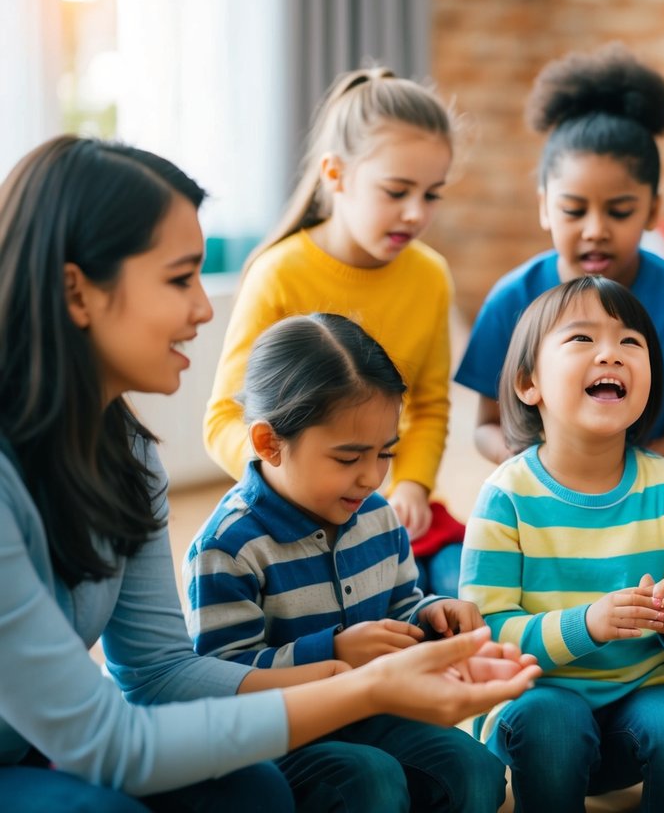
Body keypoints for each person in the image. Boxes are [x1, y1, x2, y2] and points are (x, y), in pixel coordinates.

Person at [0, 135, 540, 813]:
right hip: (68, 744)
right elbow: (112, 743)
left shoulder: (128, 457)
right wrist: (360, 680)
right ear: (77, 290)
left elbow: (159, 674)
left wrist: (401, 662)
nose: (203, 308)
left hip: (38, 741)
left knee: (254, 789)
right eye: (179, 278)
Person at [185, 313, 505, 811]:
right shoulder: (228, 547)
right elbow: (223, 678)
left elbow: (403, 606)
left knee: (477, 768)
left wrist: (431, 616)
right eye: (348, 458)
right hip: (282, 736)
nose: (372, 477)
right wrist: (332, 653)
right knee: (369, 780)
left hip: (378, 711)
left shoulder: (378, 517)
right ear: (270, 444)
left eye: (385, 453)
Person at [459, 276, 664, 811]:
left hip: (639, 699)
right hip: (536, 711)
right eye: (582, 339)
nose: (612, 354)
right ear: (527, 383)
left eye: (631, 342)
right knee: (552, 721)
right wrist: (590, 625)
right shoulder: (506, 496)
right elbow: (487, 636)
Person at [204, 67, 466, 596]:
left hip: (387, 510)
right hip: (290, 512)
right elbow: (224, 420)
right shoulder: (278, 274)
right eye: (396, 191)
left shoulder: (431, 276)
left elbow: (431, 406)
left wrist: (411, 485)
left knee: (467, 595)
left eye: (432, 194)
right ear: (335, 174)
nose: (416, 213)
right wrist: (292, 485)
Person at [454, 43, 664, 468]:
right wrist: (537, 467)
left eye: (619, 211)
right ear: (545, 206)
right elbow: (486, 425)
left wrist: (627, 475)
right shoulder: (511, 297)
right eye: (574, 210)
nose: (595, 230)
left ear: (653, 210)